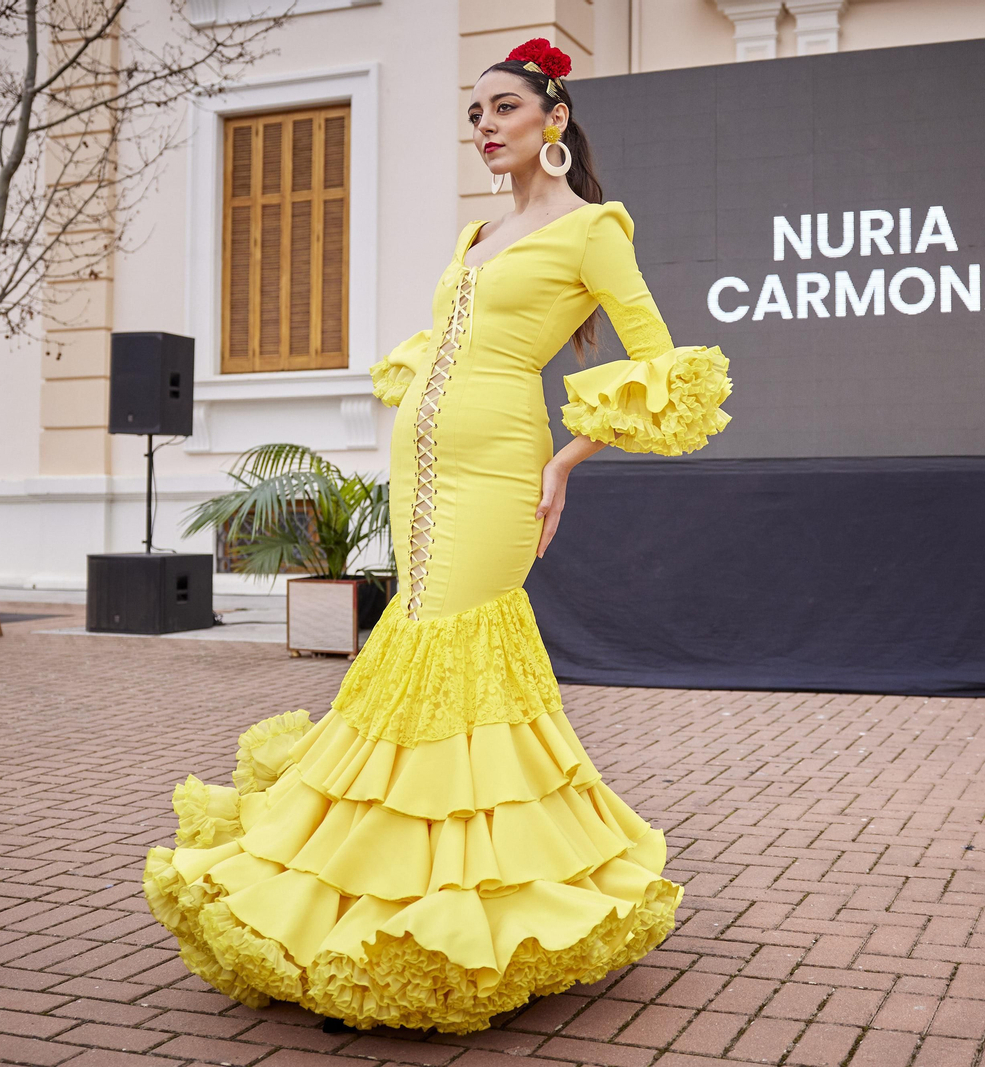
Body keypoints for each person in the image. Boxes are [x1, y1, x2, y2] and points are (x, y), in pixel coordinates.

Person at [143, 38, 731, 1035]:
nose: (485, 126)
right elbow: (441, 349)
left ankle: (457, 911)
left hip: (501, 469)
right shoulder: (475, 236)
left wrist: (563, 462)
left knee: (445, 657)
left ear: (553, 116)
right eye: (474, 113)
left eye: (502, 106)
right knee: (419, 660)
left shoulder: (593, 231)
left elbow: (660, 359)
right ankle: (382, 894)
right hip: (419, 475)